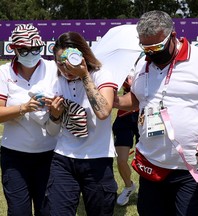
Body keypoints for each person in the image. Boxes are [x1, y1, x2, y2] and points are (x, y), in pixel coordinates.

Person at [114, 10, 198, 216]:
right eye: (145, 47)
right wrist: (116, 101)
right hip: (151, 165)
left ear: (172, 36)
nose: (151, 53)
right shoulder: (142, 64)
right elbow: (138, 99)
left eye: (156, 47)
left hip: (190, 168)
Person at [44, 31, 118, 216]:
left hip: (97, 159)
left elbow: (103, 112)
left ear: (82, 57)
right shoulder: (56, 81)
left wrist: (84, 75)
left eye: (70, 63)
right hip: (63, 158)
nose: (65, 69)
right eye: (60, 64)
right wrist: (54, 115)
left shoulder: (101, 75)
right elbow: (52, 132)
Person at [0, 24, 58, 216]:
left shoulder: (52, 68)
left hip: (49, 154)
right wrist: (23, 108)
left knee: (47, 210)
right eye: (25, 49)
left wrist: (57, 107)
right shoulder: (4, 73)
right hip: (14, 157)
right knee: (18, 212)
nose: (31, 53)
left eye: (36, 49)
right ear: (14, 49)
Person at [113, 76, 139, 206]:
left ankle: (149, 190)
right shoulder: (122, 62)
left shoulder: (149, 62)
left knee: (148, 159)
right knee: (121, 159)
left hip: (145, 115)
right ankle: (129, 186)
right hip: (124, 115)